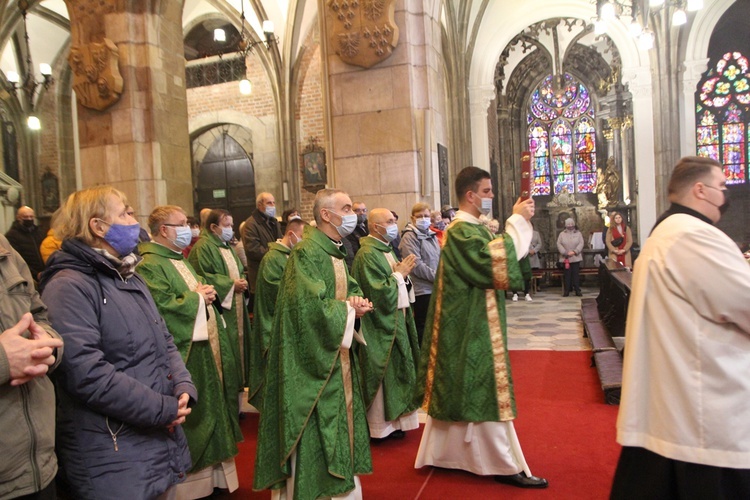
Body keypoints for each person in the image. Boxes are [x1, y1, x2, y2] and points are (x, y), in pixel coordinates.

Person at [40, 186, 196, 499]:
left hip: (152, 437)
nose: (133, 220)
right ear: (98, 226)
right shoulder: (68, 286)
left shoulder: (129, 276)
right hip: (111, 446)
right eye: (124, 212)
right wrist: (162, 408)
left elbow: (163, 338)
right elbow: (86, 373)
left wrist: (182, 387)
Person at [611, 156, 750, 498]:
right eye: (721, 186)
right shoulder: (695, 236)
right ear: (699, 190)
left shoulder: (667, 233)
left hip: (678, 401)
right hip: (705, 408)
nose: (725, 194)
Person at [415, 167, 547, 489]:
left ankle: (446, 454)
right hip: (470, 326)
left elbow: (504, 256)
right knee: (485, 386)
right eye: (487, 192)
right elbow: (494, 262)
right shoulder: (462, 231)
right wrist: (517, 220)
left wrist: (518, 224)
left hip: (471, 320)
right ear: (470, 195)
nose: (490, 197)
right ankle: (503, 464)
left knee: (463, 386)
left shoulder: (472, 228)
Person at [253, 188, 373, 499]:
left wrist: (356, 302)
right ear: (326, 215)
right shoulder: (307, 252)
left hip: (337, 357)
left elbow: (347, 288)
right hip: (314, 365)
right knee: (317, 427)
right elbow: (307, 310)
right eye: (346, 207)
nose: (353, 214)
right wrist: (347, 310)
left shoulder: (334, 249)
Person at [138, 205, 242, 498]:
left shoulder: (176, 258)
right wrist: (197, 298)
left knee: (212, 408)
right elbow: (162, 307)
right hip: (186, 352)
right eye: (182, 224)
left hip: (205, 347)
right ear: (164, 231)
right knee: (198, 416)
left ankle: (216, 480)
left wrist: (205, 293)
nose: (189, 229)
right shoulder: (150, 264)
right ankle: (193, 486)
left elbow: (192, 290)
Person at [0, 233, 64, 500]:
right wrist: (4, 361)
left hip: (37, 466)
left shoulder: (5, 248)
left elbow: (38, 313)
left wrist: (48, 345)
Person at [352, 208, 420, 440]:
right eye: (389, 221)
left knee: (398, 369)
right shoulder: (367, 254)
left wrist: (404, 275)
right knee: (384, 372)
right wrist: (399, 275)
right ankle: (380, 426)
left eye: (394, 220)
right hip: (380, 325)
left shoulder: (385, 249)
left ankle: (397, 420)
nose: (393, 224)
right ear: (374, 226)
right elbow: (377, 292)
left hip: (396, 319)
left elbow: (396, 281)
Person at [189, 209, 250, 416]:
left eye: (232, 225)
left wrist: (241, 281)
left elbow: (238, 270)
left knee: (239, 358)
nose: (230, 229)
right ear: (214, 227)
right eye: (226, 225)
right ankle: (226, 409)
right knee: (228, 358)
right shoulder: (202, 247)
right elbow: (202, 276)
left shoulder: (226, 247)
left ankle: (237, 406)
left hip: (237, 307)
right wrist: (231, 284)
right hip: (223, 311)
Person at [248, 217, 305, 410]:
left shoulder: (290, 255)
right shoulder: (273, 258)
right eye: (303, 236)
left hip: (287, 322)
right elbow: (275, 289)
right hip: (273, 323)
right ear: (291, 234)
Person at [399, 203, 441, 344]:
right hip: (421, 290)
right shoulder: (409, 236)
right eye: (420, 216)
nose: (424, 218)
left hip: (434, 287)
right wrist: (438, 277)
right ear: (412, 218)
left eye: (426, 216)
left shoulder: (432, 234)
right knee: (423, 326)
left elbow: (438, 258)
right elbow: (416, 265)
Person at [241, 192, 282, 304]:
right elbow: (253, 250)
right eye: (269, 203)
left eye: (274, 203)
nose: (272, 206)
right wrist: (275, 252)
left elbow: (280, 241)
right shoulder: (251, 225)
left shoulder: (274, 222)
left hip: (275, 273)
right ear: (260, 205)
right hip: (261, 276)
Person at [5, 206, 45, 283]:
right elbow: (16, 259)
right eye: (25, 217)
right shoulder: (12, 235)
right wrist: (34, 273)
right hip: (26, 275)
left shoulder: (40, 232)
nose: (29, 219)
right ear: (18, 218)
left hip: (43, 273)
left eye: (31, 216)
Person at [512, 225, 542, 302]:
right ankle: (515, 293)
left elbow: (538, 244)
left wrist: (532, 251)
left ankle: (526, 293)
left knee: (526, 275)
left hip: (526, 257)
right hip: (517, 257)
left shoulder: (533, 234)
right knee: (516, 276)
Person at [556, 218, 583, 296]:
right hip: (566, 257)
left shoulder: (578, 234)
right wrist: (565, 252)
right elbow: (559, 244)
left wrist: (575, 251)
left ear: (574, 224)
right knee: (567, 275)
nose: (570, 226)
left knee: (576, 275)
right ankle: (567, 290)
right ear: (565, 225)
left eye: (571, 224)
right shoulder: (561, 234)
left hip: (575, 257)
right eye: (568, 224)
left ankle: (577, 290)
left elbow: (581, 243)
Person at [344, 201, 369, 269]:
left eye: (364, 210)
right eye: (357, 210)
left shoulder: (369, 226)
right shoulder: (348, 229)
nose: (361, 213)